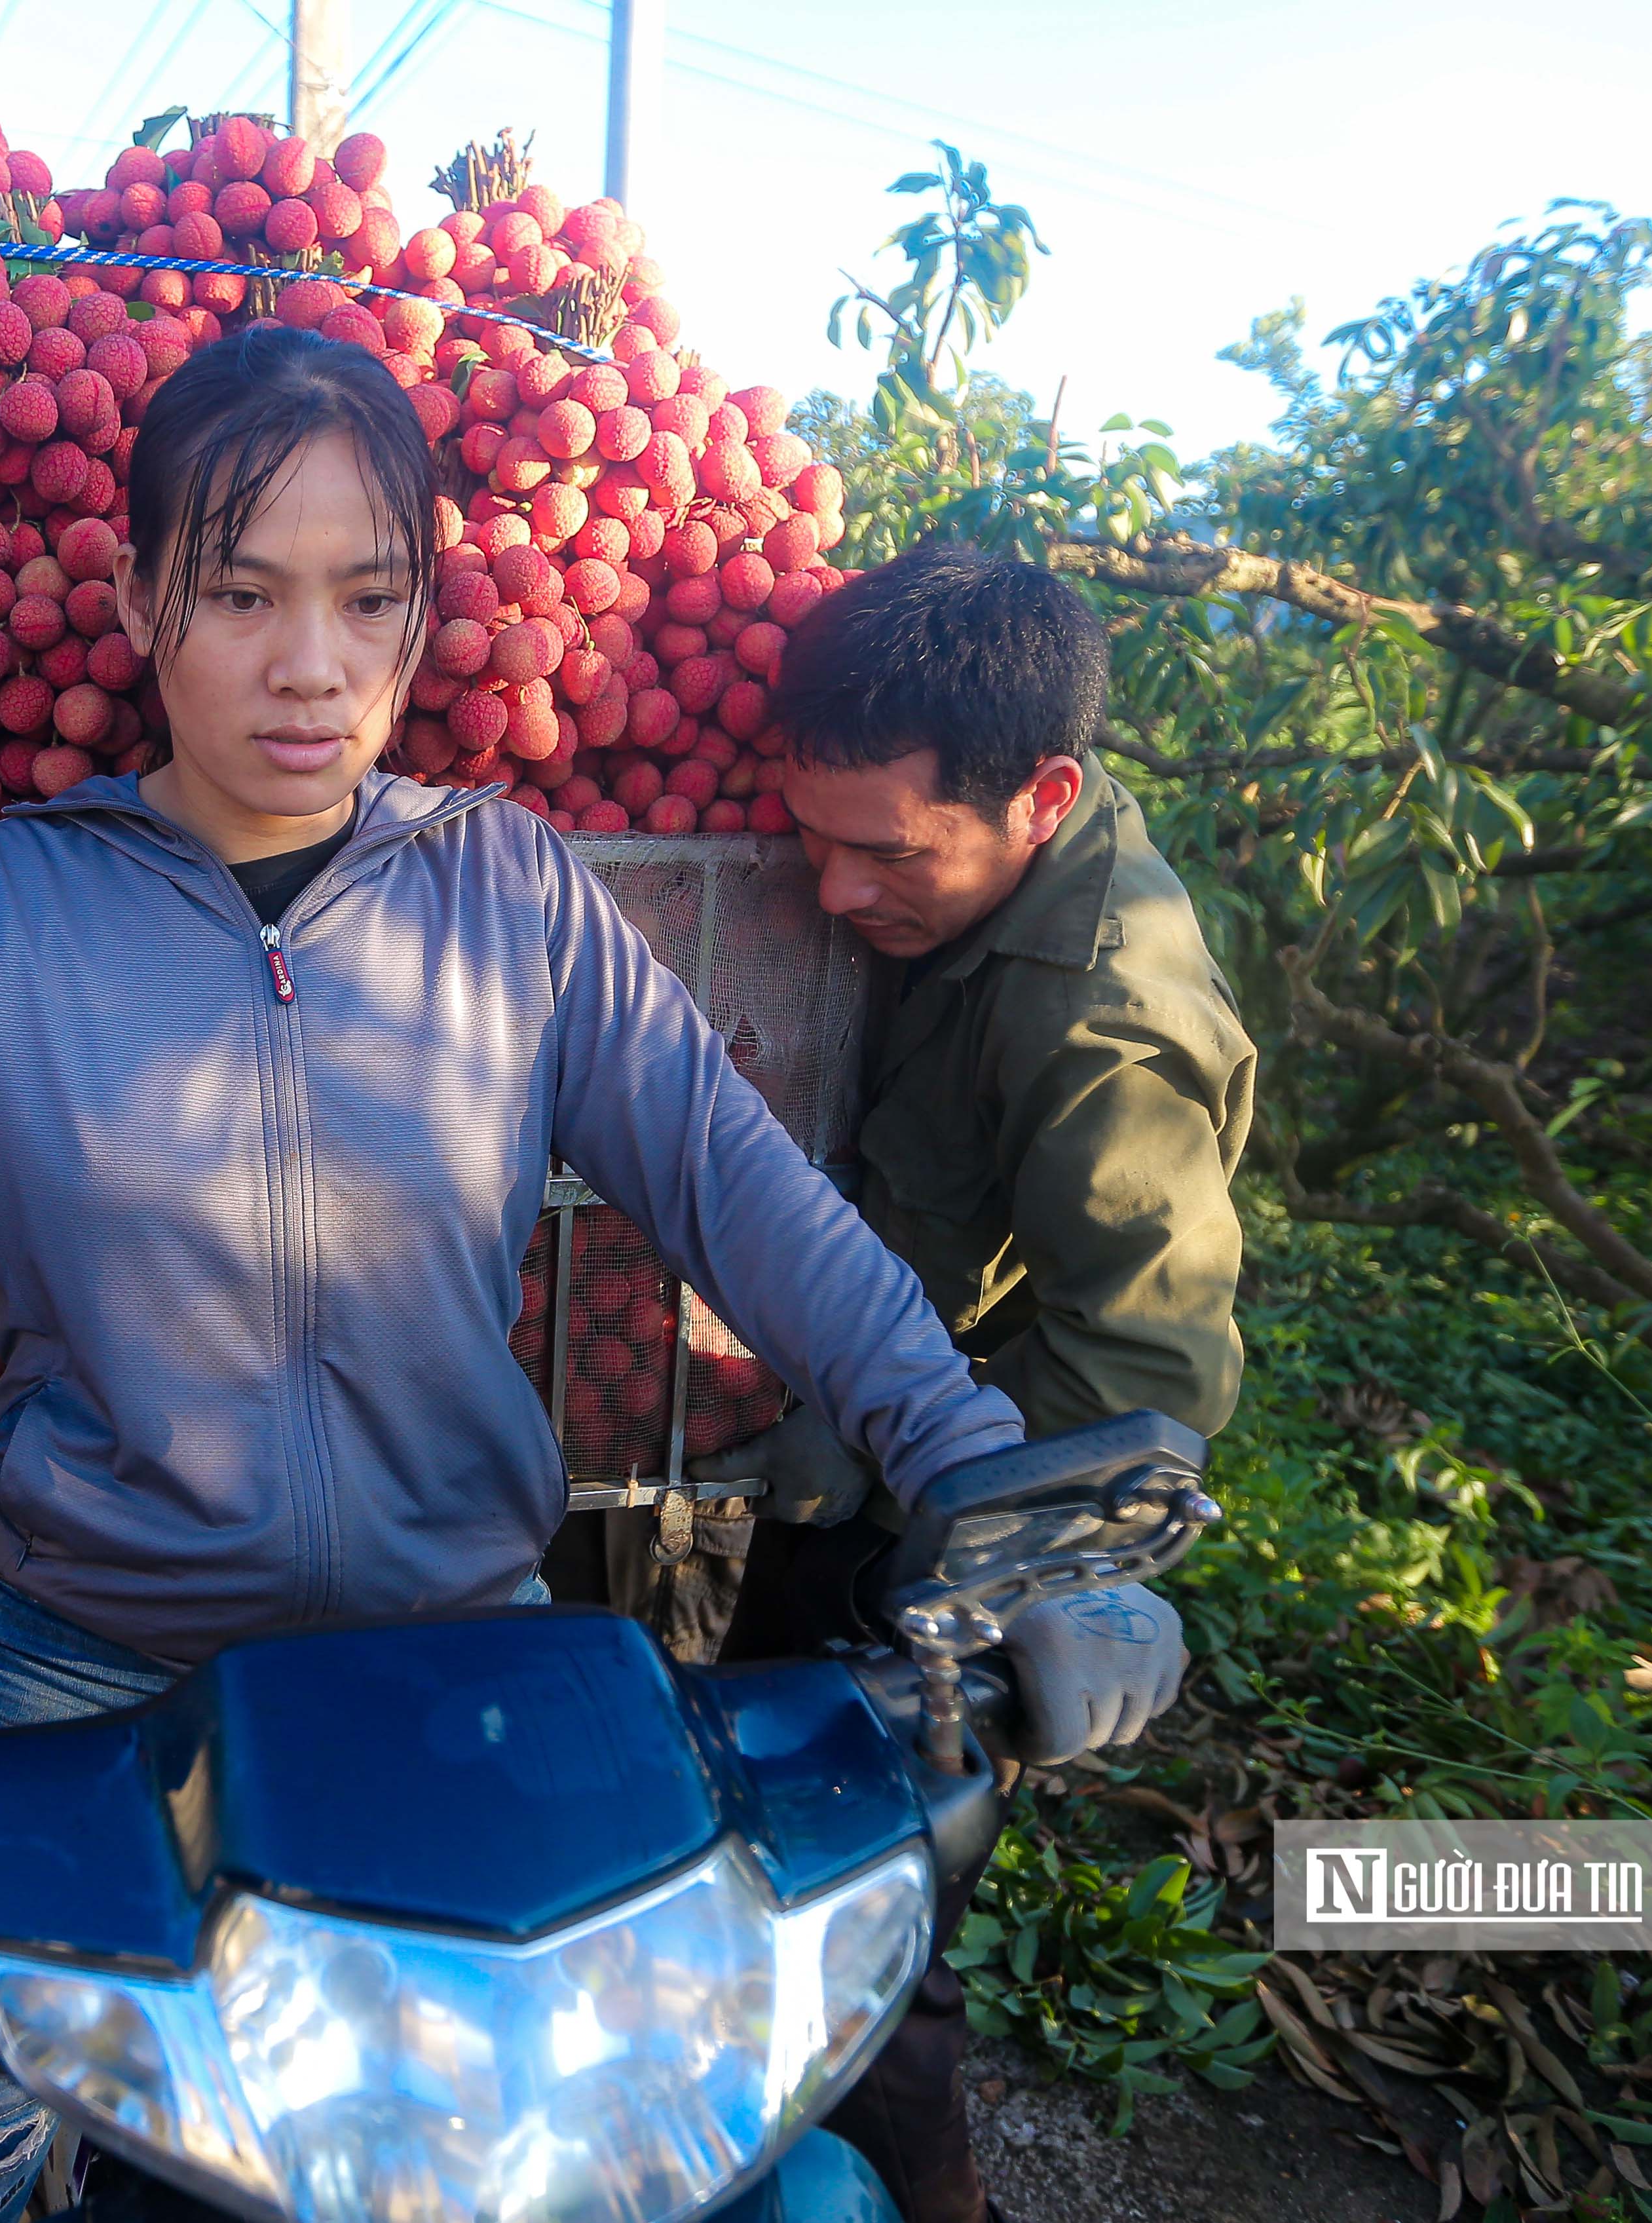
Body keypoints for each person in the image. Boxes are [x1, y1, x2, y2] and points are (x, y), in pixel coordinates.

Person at [0, 328, 1190, 2223]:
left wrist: (999, 1495)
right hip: (82, 1687)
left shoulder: (507, 896)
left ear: (426, 611)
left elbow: (750, 1200)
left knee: (574, 2160)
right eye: (242, 593)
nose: (313, 665)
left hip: (463, 1670)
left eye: (369, 600)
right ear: (135, 601)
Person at [682, 539, 1256, 2223]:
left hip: (937, 1543)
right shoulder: (964, 881)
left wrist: (957, 1555)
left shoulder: (1100, 1012)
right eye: (811, 836)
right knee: (751, 1851)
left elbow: (1147, 1358)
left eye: (884, 853)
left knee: (870, 1943)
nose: (836, 892)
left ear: (1042, 795)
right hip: (854, 1454)